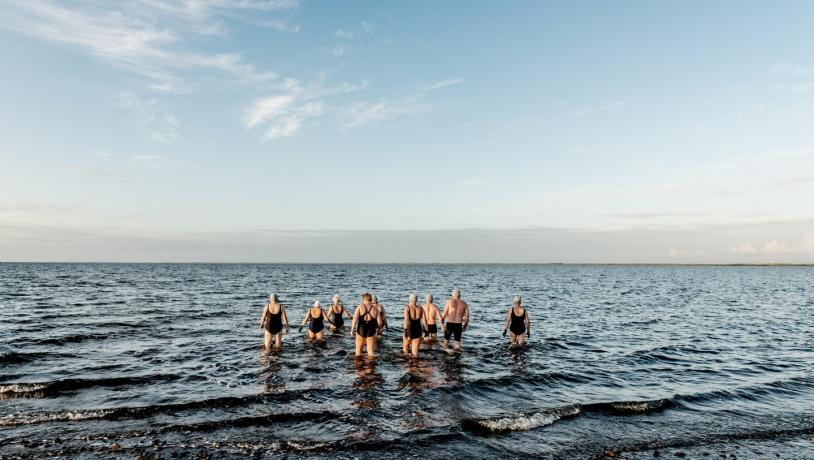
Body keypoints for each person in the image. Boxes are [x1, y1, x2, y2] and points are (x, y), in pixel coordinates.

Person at [351, 293, 383, 358]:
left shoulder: (360, 307)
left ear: (363, 299)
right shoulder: (375, 309)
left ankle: (359, 367)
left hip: (361, 331)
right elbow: (380, 323)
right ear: (371, 300)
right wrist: (378, 330)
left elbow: (354, 319)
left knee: (358, 353)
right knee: (371, 353)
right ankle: (369, 367)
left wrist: (352, 330)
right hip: (371, 331)